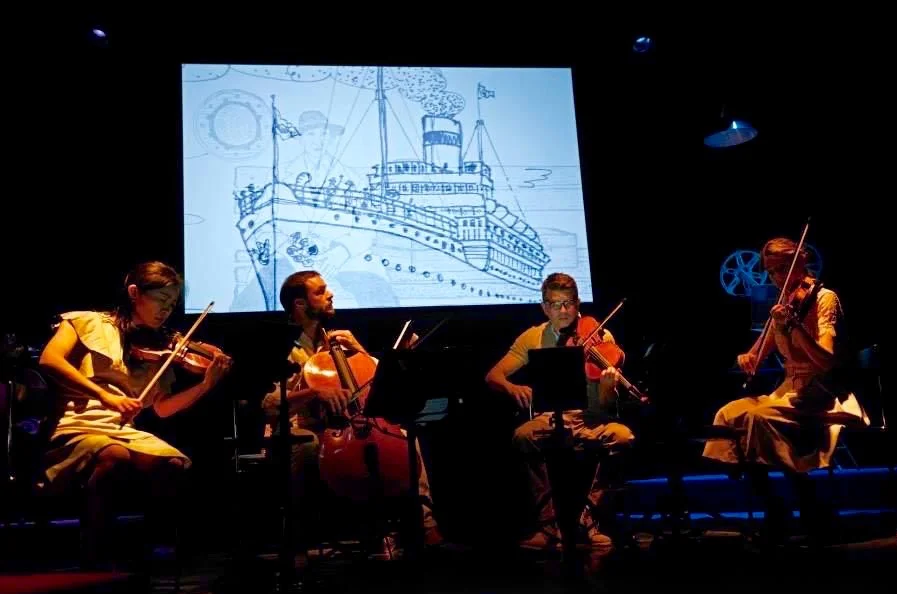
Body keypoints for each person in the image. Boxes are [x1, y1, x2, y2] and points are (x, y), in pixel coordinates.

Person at [38, 261, 232, 567]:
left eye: (171, 304)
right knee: (114, 456)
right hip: (75, 426)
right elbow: (49, 360)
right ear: (134, 293)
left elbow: (163, 408)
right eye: (160, 300)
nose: (166, 311)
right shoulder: (86, 322)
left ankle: (145, 555)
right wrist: (103, 395)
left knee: (174, 465)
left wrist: (206, 385)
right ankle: (94, 557)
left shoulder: (157, 347)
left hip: (121, 430)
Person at [260, 270, 443, 554]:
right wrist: (315, 391)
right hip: (305, 427)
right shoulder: (285, 348)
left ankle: (421, 524)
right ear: (299, 304)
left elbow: (374, 382)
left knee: (402, 437)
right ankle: (297, 542)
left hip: (346, 426)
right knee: (305, 445)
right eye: (320, 291)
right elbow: (269, 405)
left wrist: (359, 350)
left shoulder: (339, 344)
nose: (330, 294)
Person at [702, 237, 869, 542]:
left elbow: (826, 360)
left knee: (758, 418)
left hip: (822, 392)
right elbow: (758, 351)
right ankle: (771, 500)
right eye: (771, 271)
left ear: (800, 263)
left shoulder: (823, 299)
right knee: (729, 413)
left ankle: (804, 505)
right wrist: (748, 357)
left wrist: (794, 327)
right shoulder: (784, 304)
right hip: (789, 390)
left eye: (781, 269)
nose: (776, 277)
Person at [485, 272, 635, 550]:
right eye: (555, 304)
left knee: (623, 437)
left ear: (578, 304)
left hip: (593, 417)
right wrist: (511, 388)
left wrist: (607, 387)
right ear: (544, 307)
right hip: (549, 417)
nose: (563, 311)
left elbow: (607, 405)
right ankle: (547, 524)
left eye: (568, 303)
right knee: (522, 437)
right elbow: (493, 376)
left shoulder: (600, 335)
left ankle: (589, 520)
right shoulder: (534, 336)